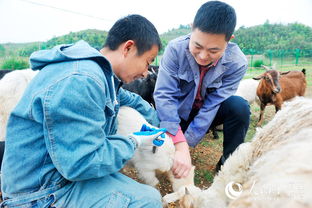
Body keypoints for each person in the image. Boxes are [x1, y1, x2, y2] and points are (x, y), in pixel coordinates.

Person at [1, 15, 166, 208]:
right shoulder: (82, 80)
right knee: (148, 200)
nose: (147, 72)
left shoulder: (103, 77)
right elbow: (83, 163)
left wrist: (159, 123)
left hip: (54, 173)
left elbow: (129, 99)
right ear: (128, 48)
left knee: (139, 190)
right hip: (40, 192)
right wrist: (135, 141)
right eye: (148, 62)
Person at [154, 1, 250, 179]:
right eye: (197, 46)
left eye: (214, 50)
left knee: (239, 107)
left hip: (208, 115)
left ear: (229, 40)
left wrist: (186, 143)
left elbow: (213, 104)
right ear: (191, 28)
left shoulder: (238, 63)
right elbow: (164, 95)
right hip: (179, 113)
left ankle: (228, 167)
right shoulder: (175, 50)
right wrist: (179, 143)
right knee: (159, 130)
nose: (203, 56)